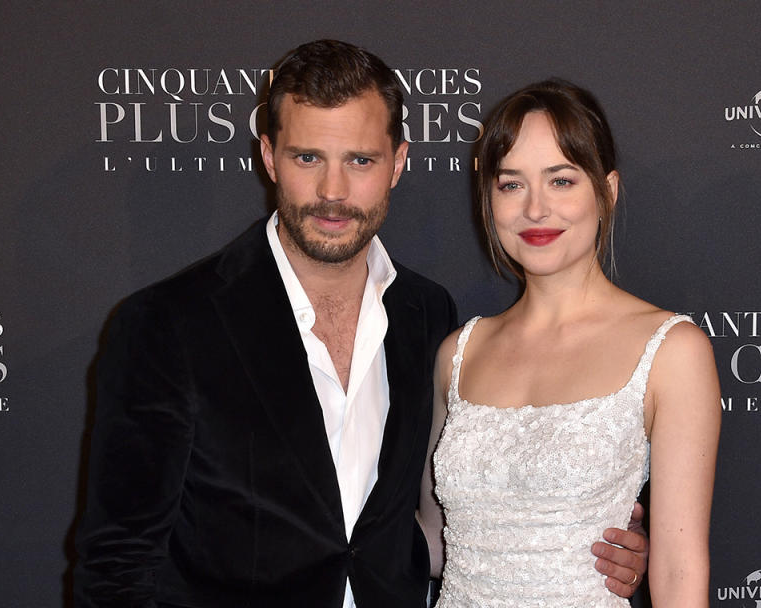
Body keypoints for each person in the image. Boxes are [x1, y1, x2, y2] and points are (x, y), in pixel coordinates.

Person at [74, 40, 647, 607]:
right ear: (269, 157)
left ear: (397, 162)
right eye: (308, 158)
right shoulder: (167, 324)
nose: (333, 192)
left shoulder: (428, 317)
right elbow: (118, 565)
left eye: (360, 160)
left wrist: (587, 545)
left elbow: (448, 524)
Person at [419, 80, 721, 607]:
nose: (535, 209)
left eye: (561, 181)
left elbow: (678, 571)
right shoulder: (458, 354)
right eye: (511, 185)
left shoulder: (673, 351)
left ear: (607, 190)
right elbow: (430, 541)